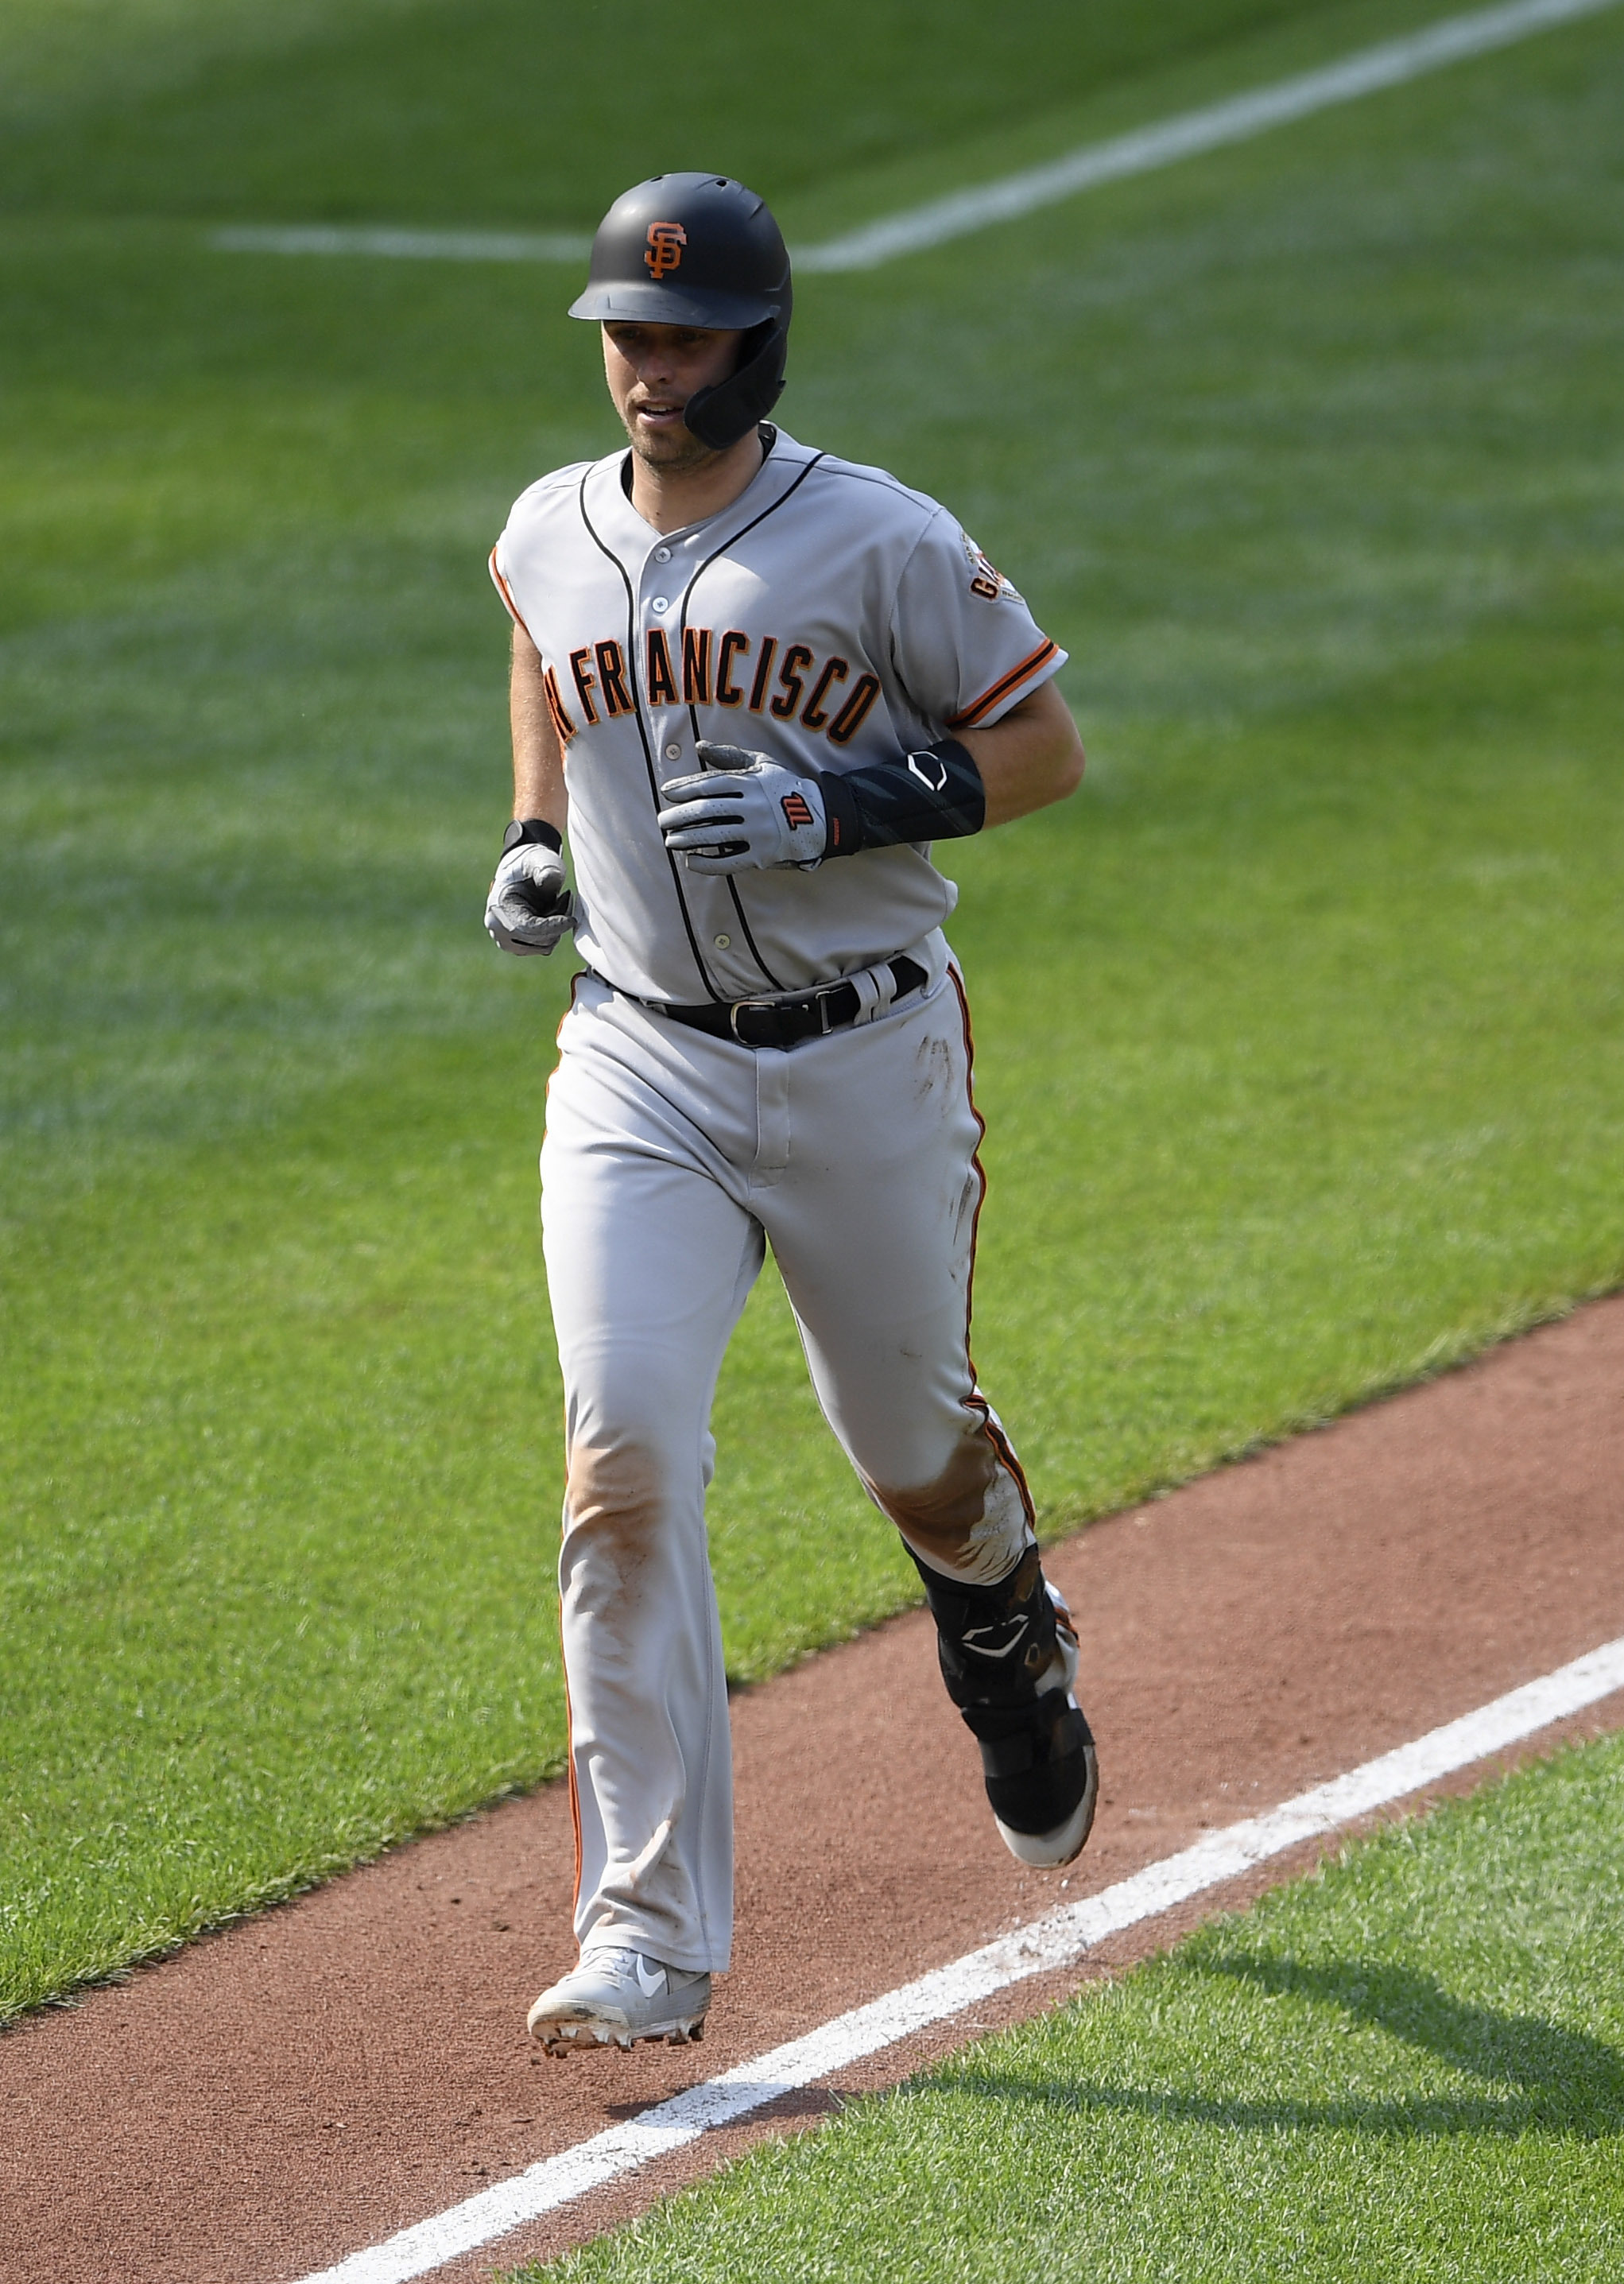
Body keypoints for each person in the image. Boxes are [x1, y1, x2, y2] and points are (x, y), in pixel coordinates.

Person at [478, 173, 1098, 2055]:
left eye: (673, 341)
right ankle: (647, 1934)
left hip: (860, 1060)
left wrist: (844, 807)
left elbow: (1042, 746)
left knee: (915, 1453)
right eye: (620, 340)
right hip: (639, 1061)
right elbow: (539, 640)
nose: (641, 373)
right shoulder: (547, 528)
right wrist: (526, 839)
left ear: (754, 344)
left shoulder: (877, 538)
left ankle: (1001, 1631)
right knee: (622, 1462)